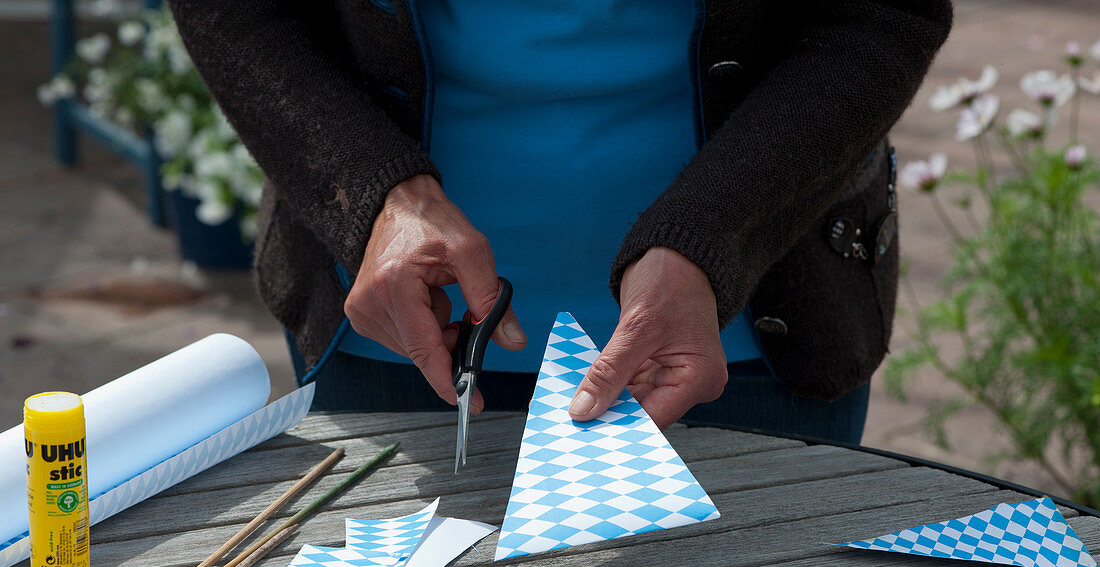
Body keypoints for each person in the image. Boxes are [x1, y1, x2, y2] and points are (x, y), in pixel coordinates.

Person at [168, 0, 953, 443]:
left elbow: (880, 14)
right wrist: (373, 195)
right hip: (393, 326)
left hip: (746, 342)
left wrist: (714, 235)